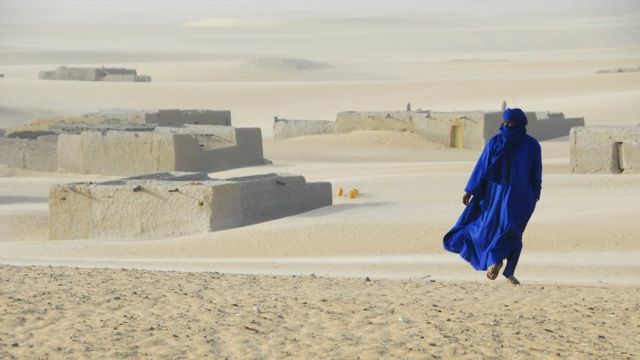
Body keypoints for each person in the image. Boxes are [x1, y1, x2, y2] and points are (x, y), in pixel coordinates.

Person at [443, 108, 542, 285]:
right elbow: (482, 166)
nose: (509, 126)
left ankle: (506, 269)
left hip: (519, 196)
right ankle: (495, 261)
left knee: (512, 230)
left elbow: (536, 172)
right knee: (486, 228)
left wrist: (535, 194)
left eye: (513, 123)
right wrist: (470, 189)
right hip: (494, 194)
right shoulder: (495, 142)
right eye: (507, 123)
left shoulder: (531, 145)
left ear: (520, 124)